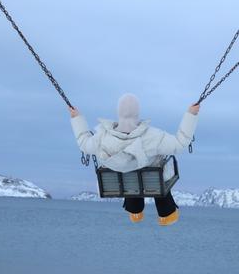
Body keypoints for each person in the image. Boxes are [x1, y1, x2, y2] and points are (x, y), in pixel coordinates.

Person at [69, 93, 200, 225]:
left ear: (117, 113)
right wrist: (191, 115)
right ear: (138, 114)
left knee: (128, 175)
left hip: (121, 182)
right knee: (156, 172)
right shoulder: (153, 136)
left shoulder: (101, 137)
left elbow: (84, 143)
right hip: (152, 181)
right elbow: (180, 143)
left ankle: (135, 211)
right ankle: (167, 215)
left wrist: (76, 118)